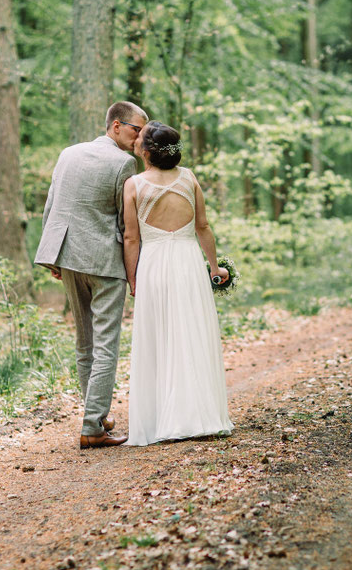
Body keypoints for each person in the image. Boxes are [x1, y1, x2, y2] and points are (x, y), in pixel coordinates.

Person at [34, 101, 146, 449]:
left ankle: (95, 415)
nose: (140, 138)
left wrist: (52, 254)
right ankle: (93, 426)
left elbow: (52, 206)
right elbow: (124, 219)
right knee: (105, 344)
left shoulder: (68, 153)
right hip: (104, 261)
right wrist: (134, 270)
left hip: (67, 255)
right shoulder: (125, 163)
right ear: (116, 126)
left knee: (85, 342)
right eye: (136, 130)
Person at [122, 121, 234, 445]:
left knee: (159, 337)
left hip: (154, 264)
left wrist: (133, 278)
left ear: (146, 153)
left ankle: (162, 418)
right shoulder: (189, 178)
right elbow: (203, 227)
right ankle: (200, 413)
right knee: (191, 333)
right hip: (187, 263)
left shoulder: (133, 185)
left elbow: (131, 237)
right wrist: (214, 267)